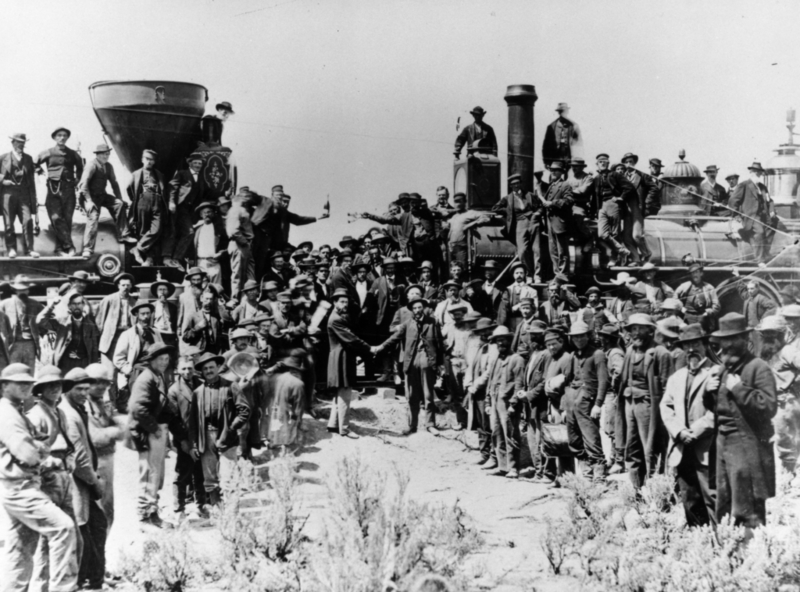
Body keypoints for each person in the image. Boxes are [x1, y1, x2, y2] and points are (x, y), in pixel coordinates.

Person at [0, 364, 79, 592]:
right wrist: (40, 449)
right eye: (20, 383)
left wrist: (38, 448)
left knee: (20, 549)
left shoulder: (14, 411)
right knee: (63, 527)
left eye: (28, 383)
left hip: (18, 487)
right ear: (5, 386)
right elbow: (29, 454)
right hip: (20, 488)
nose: (26, 387)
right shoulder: (9, 415)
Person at [707, 312, 778, 531]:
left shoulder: (758, 368)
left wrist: (738, 388)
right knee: (724, 505)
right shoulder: (722, 370)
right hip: (723, 446)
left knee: (747, 510)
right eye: (723, 340)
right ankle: (726, 557)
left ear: (744, 340)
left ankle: (751, 559)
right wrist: (708, 392)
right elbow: (717, 407)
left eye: (732, 339)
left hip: (748, 447)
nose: (726, 345)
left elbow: (768, 407)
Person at [25, 365, 79, 592]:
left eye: (59, 385)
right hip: (47, 478)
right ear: (41, 390)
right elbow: (27, 453)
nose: (56, 389)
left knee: (69, 534)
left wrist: (71, 459)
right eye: (51, 386)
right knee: (46, 539)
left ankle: (64, 584)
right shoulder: (34, 416)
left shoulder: (61, 413)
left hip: (64, 476)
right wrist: (48, 463)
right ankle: (40, 586)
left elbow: (70, 443)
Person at [660, 323, 717, 527]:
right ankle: (698, 543)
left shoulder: (716, 372)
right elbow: (666, 407)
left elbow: (720, 409)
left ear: (704, 344)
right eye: (687, 345)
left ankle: (721, 545)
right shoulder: (677, 377)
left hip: (708, 447)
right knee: (690, 499)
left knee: (713, 498)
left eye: (695, 343)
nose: (691, 349)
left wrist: (696, 431)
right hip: (682, 446)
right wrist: (679, 431)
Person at [59, 368, 108, 588]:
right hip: (77, 483)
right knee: (84, 531)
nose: (84, 393)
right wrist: (94, 481)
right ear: (67, 389)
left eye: (87, 389)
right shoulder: (68, 414)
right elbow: (79, 457)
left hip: (83, 483)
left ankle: (93, 578)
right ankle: (83, 580)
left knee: (96, 526)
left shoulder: (78, 408)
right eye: (79, 389)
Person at [189, 352, 249, 506]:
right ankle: (217, 512)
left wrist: (231, 428)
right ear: (201, 372)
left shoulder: (231, 386)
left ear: (218, 367)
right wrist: (195, 444)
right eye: (205, 369)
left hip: (227, 437)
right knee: (210, 479)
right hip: (206, 437)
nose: (209, 371)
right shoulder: (197, 393)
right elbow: (193, 422)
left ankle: (231, 515)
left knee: (229, 477)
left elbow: (244, 411)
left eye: (211, 367)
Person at [378, 296, 444, 433]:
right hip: (411, 361)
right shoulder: (407, 324)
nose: (417, 310)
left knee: (428, 395)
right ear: (412, 310)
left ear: (424, 308)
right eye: (414, 308)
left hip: (427, 360)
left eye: (419, 307)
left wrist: (440, 364)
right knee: (412, 395)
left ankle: (430, 424)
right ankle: (412, 425)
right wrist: (380, 347)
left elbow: (440, 344)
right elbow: (394, 338)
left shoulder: (432, 323)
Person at [128, 343, 175, 526]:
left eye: (166, 359)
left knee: (156, 475)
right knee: (149, 475)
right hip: (146, 432)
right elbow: (138, 408)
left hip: (154, 431)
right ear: (152, 360)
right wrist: (154, 429)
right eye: (160, 359)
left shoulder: (157, 376)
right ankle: (145, 517)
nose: (164, 362)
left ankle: (152, 511)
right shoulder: (146, 378)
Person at [617, 313, 661, 489]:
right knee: (632, 448)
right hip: (629, 404)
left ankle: (656, 492)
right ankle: (636, 491)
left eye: (640, 328)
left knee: (650, 449)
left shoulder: (656, 352)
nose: (636, 333)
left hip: (647, 404)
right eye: (633, 329)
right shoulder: (629, 351)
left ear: (650, 331)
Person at [761, 307, 800, 491]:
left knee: (786, 443)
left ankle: (789, 481)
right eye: (765, 335)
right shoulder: (769, 352)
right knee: (782, 441)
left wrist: (792, 381)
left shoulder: (788, 351)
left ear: (781, 334)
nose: (767, 339)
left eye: (771, 335)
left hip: (785, 402)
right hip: (774, 402)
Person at [326, 289, 373, 438]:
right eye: (341, 301)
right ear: (334, 302)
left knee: (340, 393)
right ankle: (344, 429)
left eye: (346, 302)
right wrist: (369, 348)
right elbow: (351, 339)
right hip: (342, 358)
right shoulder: (336, 319)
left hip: (340, 357)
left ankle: (333, 424)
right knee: (345, 393)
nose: (345, 305)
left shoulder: (339, 316)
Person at [565, 321, 608, 481]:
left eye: (581, 336)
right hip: (572, 401)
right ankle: (586, 473)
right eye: (575, 337)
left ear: (588, 336)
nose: (578, 340)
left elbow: (603, 381)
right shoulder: (573, 356)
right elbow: (568, 381)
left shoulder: (597, 354)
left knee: (591, 438)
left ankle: (599, 476)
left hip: (587, 402)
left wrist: (598, 404)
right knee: (574, 440)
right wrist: (566, 405)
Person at [77, 143, 133, 257]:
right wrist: (88, 201)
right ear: (97, 155)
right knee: (93, 217)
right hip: (89, 197)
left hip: (102, 195)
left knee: (119, 204)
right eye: (103, 154)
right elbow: (83, 185)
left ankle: (123, 235)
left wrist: (119, 199)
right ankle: (87, 248)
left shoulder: (108, 166)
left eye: (107, 154)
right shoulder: (91, 166)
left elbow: (114, 183)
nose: (106, 156)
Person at [166, 356, 206, 517]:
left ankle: (201, 505)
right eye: (183, 368)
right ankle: (179, 508)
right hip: (185, 438)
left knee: (200, 473)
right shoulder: (174, 390)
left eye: (190, 368)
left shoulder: (202, 384)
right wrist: (183, 441)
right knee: (182, 473)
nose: (187, 372)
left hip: (201, 436)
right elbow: (173, 419)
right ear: (178, 370)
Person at [35, 127, 84, 257]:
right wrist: (40, 171)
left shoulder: (73, 154)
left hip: (69, 190)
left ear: (67, 138)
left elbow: (80, 167)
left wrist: (77, 180)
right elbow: (34, 163)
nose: (62, 138)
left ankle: (59, 249)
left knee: (67, 220)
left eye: (64, 135)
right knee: (56, 218)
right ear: (55, 138)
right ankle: (69, 246)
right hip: (53, 189)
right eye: (59, 135)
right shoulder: (48, 152)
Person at [84, 363, 121, 531]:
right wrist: (115, 430)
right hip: (93, 462)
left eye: (105, 383)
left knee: (108, 510)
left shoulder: (102, 402)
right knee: (97, 513)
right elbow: (95, 438)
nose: (101, 386)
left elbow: (122, 430)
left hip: (107, 460)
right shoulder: (83, 404)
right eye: (96, 381)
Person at [95, 272, 137, 406]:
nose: (125, 287)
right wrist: (100, 341)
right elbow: (99, 322)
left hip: (127, 339)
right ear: (118, 286)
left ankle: (124, 402)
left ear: (131, 286)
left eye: (128, 285)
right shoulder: (109, 299)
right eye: (123, 285)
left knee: (127, 371)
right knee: (109, 373)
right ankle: (111, 403)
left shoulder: (133, 301)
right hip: (111, 340)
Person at [492, 173, 542, 281]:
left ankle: (538, 275)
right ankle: (528, 274)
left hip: (533, 221)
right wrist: (508, 211)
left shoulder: (530, 195)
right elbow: (495, 208)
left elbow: (541, 207)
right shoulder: (507, 198)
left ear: (521, 184)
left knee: (537, 249)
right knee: (522, 251)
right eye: (513, 184)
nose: (516, 186)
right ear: (511, 186)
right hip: (520, 223)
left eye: (518, 183)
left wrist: (537, 213)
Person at [163, 153, 207, 270]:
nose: (198, 165)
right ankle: (167, 258)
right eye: (196, 163)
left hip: (189, 211)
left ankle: (176, 259)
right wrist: (172, 202)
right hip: (178, 207)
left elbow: (207, 192)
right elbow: (173, 187)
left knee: (188, 233)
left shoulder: (201, 178)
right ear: (190, 163)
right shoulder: (182, 173)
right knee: (172, 231)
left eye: (200, 163)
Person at [463, 317, 498, 467]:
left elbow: (489, 371)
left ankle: (493, 456)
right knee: (480, 423)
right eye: (481, 332)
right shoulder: (480, 347)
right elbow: (471, 367)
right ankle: (483, 453)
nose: (484, 334)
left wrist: (476, 384)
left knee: (489, 423)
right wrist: (468, 383)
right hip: (476, 391)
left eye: (486, 331)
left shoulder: (494, 348)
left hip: (488, 391)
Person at [728, 161, 777, 266]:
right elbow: (733, 200)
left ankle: (766, 252)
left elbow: (770, 200)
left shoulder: (763, 187)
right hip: (751, 216)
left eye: (760, 173)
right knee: (759, 231)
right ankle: (760, 260)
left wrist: (772, 210)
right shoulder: (744, 185)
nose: (759, 175)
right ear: (752, 173)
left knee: (774, 223)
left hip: (764, 215)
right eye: (757, 173)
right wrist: (736, 214)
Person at [592, 153, 635, 266]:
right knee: (602, 234)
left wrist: (621, 198)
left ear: (608, 163)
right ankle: (622, 250)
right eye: (600, 162)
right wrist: (594, 211)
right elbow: (594, 196)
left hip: (613, 204)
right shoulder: (596, 178)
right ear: (597, 164)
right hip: (602, 206)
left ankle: (614, 258)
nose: (603, 163)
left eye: (605, 161)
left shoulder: (615, 175)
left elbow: (629, 187)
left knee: (615, 233)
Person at [126, 149, 167, 266]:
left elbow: (164, 191)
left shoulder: (159, 175)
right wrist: (137, 200)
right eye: (147, 159)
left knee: (156, 229)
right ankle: (148, 259)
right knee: (143, 230)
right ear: (142, 160)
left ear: (154, 162)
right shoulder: (136, 174)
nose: (149, 162)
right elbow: (129, 189)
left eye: (152, 160)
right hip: (143, 202)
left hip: (157, 203)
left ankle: (138, 248)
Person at [1, 133, 38, 258]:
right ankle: (11, 249)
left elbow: (32, 177)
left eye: (22, 143)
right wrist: (3, 181)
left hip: (24, 195)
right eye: (17, 142)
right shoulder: (3, 157)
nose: (20, 145)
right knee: (8, 223)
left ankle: (30, 250)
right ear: (12, 143)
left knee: (27, 220)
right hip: (8, 194)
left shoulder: (28, 158)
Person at [0, 275, 48, 369]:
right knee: (12, 371)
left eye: (25, 289)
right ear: (15, 290)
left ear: (28, 290)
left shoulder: (36, 304)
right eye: (19, 289)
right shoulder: (5, 304)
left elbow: (44, 321)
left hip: (30, 344)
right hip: (13, 344)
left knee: (29, 370)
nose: (22, 292)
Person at [45, 292, 100, 374]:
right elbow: (40, 320)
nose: (77, 306)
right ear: (69, 306)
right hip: (66, 362)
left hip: (83, 362)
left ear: (83, 306)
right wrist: (51, 305)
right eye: (74, 304)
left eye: (79, 303)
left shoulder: (90, 325)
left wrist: (94, 368)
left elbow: (94, 349)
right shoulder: (61, 323)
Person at [542, 161, 574, 276]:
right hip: (550, 223)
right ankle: (558, 275)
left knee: (562, 251)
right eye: (552, 170)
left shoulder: (565, 185)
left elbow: (569, 201)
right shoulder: (551, 185)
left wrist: (553, 203)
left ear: (561, 172)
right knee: (553, 251)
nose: (553, 172)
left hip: (560, 223)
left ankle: (564, 275)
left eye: (556, 170)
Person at [445, 192, 492, 267]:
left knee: (462, 269)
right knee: (452, 271)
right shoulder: (454, 216)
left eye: (459, 201)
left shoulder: (470, 213)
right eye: (455, 202)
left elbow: (486, 218)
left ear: (465, 202)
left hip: (461, 247)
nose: (457, 204)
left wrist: (472, 224)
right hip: (451, 247)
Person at [621, 153, 652, 263]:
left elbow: (654, 189)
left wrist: (647, 205)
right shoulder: (622, 176)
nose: (629, 164)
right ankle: (636, 259)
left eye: (631, 162)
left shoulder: (642, 175)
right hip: (626, 209)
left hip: (637, 208)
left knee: (637, 235)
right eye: (627, 162)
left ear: (635, 163)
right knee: (627, 238)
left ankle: (647, 253)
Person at [182, 287, 231, 355]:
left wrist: (221, 305)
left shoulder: (217, 316)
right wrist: (197, 328)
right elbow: (185, 338)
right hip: (198, 352)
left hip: (214, 352)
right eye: (206, 298)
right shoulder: (193, 316)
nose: (208, 301)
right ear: (201, 298)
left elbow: (229, 322)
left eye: (211, 299)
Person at [225, 189, 256, 296]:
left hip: (244, 245)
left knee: (248, 274)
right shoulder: (236, 210)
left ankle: (247, 298)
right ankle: (236, 300)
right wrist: (245, 242)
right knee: (238, 275)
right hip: (239, 244)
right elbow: (233, 231)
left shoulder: (241, 210)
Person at [674, 263, 720, 333]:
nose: (694, 275)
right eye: (692, 273)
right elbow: (674, 298)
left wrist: (709, 312)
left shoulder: (709, 287)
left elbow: (716, 304)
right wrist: (680, 307)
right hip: (688, 317)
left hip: (703, 317)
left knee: (704, 335)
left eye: (696, 272)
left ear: (701, 273)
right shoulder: (684, 286)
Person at [566, 158, 595, 264]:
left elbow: (582, 191)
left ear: (582, 167)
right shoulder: (569, 178)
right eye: (572, 166)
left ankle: (590, 238)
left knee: (578, 219)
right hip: (568, 205)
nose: (574, 168)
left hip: (580, 205)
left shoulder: (588, 178)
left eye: (576, 166)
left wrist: (567, 191)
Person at [193, 201, 226, 284]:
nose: (206, 214)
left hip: (214, 263)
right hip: (201, 263)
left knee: (216, 288)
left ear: (213, 214)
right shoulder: (197, 230)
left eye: (209, 212)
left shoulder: (220, 229)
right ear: (201, 215)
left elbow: (227, 246)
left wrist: (221, 253)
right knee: (201, 287)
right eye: (204, 213)